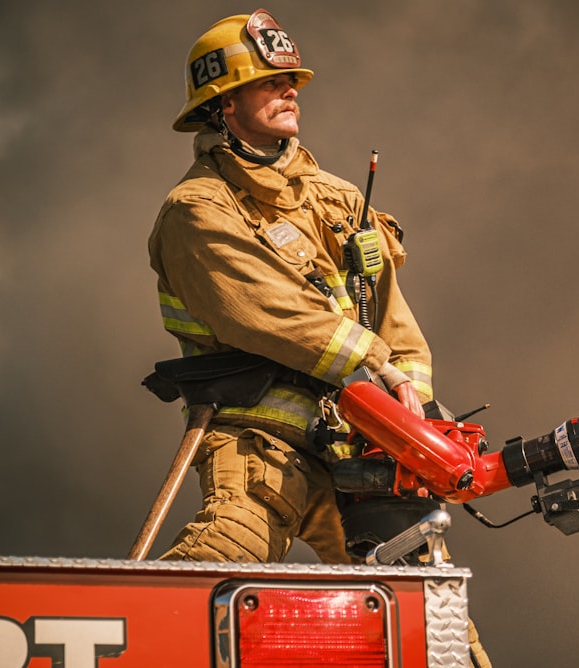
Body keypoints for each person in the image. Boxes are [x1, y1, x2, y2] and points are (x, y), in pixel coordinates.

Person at [148, 10, 491, 666]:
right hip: (262, 440)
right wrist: (372, 367)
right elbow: (267, 311)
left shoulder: (337, 198)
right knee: (222, 565)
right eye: (269, 81)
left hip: (359, 451)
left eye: (292, 79)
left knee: (427, 613)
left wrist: (408, 423)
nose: (290, 90)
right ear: (222, 106)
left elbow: (395, 324)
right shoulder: (198, 212)